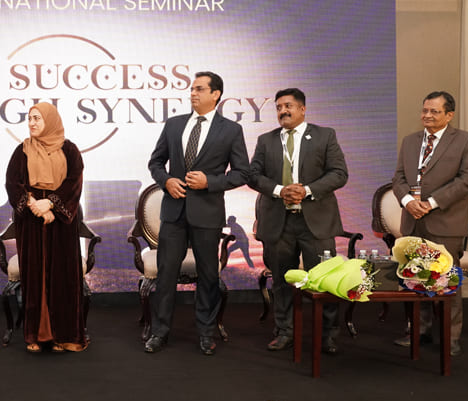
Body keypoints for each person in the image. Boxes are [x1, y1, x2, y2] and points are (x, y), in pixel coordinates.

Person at [144, 71, 251, 356]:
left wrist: (210, 182)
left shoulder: (231, 130)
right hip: (173, 213)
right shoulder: (174, 124)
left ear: (216, 94)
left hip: (207, 214)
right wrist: (166, 181)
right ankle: (159, 332)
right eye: (192, 89)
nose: (192, 93)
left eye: (199, 89)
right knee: (166, 274)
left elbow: (242, 173)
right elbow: (155, 162)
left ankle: (205, 333)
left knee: (208, 275)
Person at [248, 88, 348, 354]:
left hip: (315, 221)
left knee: (325, 280)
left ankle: (328, 335)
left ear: (302, 109)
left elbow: (339, 173)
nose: (283, 111)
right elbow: (253, 175)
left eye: (288, 106)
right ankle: (285, 332)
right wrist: (280, 190)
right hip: (278, 222)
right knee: (282, 281)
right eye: (279, 107)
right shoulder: (266, 140)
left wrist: (307, 190)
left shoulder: (325, 135)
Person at [392, 91, 468, 357]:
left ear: (449, 115)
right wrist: (408, 201)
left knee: (446, 282)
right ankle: (419, 331)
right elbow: (398, 178)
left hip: (445, 223)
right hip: (413, 222)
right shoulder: (410, 141)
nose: (427, 116)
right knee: (415, 279)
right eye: (425, 110)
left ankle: (450, 338)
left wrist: (431, 203)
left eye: (434, 111)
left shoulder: (466, 141)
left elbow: (467, 180)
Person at [5, 102, 87, 353]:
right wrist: (34, 205)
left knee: (63, 278)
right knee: (35, 276)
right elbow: (12, 183)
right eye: (29, 118)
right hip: (31, 223)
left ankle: (63, 335)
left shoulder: (70, 150)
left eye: (37, 118)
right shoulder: (22, 150)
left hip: (61, 224)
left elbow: (74, 183)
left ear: (50, 121)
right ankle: (37, 334)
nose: (31, 123)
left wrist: (51, 204)